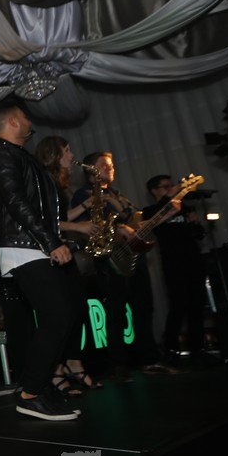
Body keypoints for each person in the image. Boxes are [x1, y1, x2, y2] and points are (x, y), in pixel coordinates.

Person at [0, 100, 83, 420]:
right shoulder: (1, 154)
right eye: (25, 117)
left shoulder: (19, 155)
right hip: (23, 245)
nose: (29, 121)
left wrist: (54, 239)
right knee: (57, 317)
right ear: (13, 121)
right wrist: (51, 241)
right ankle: (31, 393)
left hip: (33, 243)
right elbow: (15, 201)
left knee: (62, 316)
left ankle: (40, 386)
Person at [71, 151, 162, 378]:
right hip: (109, 259)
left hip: (133, 255)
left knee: (144, 307)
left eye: (111, 165)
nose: (110, 168)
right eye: (104, 165)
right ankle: (117, 364)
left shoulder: (117, 195)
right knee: (116, 311)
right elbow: (84, 226)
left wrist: (164, 214)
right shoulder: (84, 195)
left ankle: (148, 360)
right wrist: (119, 228)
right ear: (91, 170)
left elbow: (137, 222)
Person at [35, 136, 101, 394]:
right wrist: (79, 226)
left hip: (65, 251)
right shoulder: (42, 181)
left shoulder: (56, 183)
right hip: (51, 253)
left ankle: (73, 362)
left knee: (77, 310)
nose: (71, 155)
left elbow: (60, 218)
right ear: (54, 154)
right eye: (67, 150)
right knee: (61, 313)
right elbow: (42, 220)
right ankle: (56, 369)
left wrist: (85, 206)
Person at [144, 174, 207, 361]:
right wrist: (169, 196)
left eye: (171, 186)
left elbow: (199, 235)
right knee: (178, 305)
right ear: (154, 191)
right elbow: (154, 222)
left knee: (197, 305)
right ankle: (170, 348)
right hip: (173, 263)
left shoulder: (183, 208)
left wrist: (195, 223)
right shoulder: (150, 211)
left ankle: (198, 348)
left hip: (193, 260)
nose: (170, 188)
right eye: (165, 186)